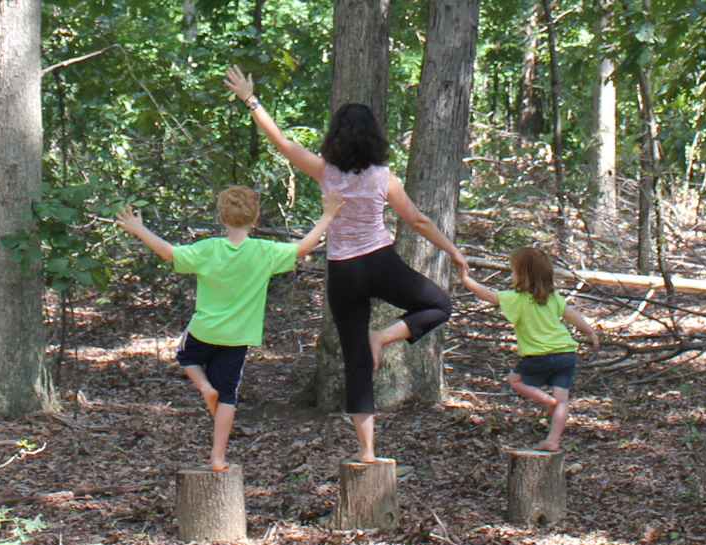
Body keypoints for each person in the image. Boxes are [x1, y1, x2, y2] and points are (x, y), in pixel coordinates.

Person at [224, 65, 469, 464]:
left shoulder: (326, 172)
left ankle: (367, 450)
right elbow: (418, 220)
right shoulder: (383, 177)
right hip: (380, 262)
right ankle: (383, 338)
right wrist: (452, 250)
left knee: (357, 364)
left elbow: (282, 142)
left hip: (343, 273)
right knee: (439, 305)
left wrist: (251, 100)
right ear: (374, 137)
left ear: (335, 136)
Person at [114, 186, 333, 471]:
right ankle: (218, 457)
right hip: (238, 337)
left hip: (204, 330)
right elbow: (304, 248)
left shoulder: (208, 249)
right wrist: (327, 215)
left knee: (186, 356)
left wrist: (138, 229)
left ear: (221, 218)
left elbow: (169, 253)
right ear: (255, 219)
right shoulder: (264, 252)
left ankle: (204, 386)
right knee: (227, 395)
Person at [456, 246, 600, 452]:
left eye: (513, 271)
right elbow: (571, 314)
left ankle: (546, 400)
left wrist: (466, 280)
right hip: (567, 354)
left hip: (539, 355)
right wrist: (590, 332)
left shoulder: (518, 297)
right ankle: (553, 440)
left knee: (515, 380)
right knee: (563, 400)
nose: (512, 276)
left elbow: (488, 295)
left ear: (523, 275)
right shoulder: (553, 298)